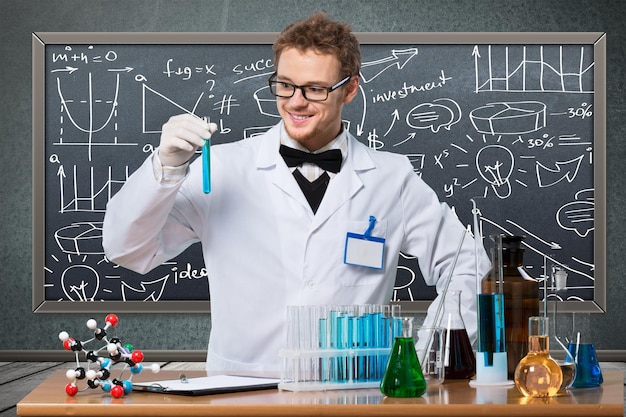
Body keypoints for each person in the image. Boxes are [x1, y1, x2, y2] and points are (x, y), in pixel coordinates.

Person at [102, 11, 489, 376]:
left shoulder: (391, 176)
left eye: (315, 89)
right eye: (285, 85)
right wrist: (165, 167)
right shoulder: (221, 168)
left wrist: (427, 353)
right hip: (242, 388)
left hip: (357, 389)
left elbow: (469, 267)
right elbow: (127, 249)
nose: (295, 101)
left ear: (350, 88)